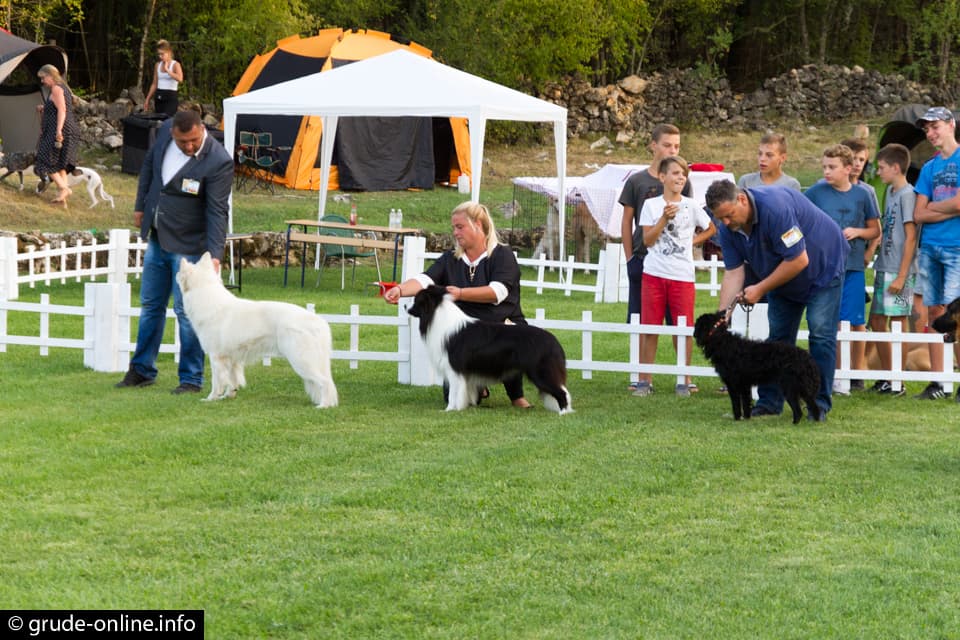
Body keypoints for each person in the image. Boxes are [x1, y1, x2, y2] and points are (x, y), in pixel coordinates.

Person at [706, 180, 848, 421]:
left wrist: (760, 288)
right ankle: (770, 402)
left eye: (729, 215)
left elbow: (799, 260)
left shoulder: (775, 208)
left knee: (820, 334)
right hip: (781, 276)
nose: (727, 223)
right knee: (778, 339)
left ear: (741, 199)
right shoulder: (728, 230)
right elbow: (733, 272)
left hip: (823, 268)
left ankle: (819, 404)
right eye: (722, 219)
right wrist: (723, 316)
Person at [115, 109, 234, 393]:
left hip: (191, 246)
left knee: (187, 312)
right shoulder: (165, 132)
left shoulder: (219, 161)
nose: (189, 146)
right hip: (158, 237)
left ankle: (191, 378)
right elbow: (149, 169)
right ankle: (141, 369)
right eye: (183, 142)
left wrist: (215, 253)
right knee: (151, 306)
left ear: (201, 130)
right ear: (173, 133)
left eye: (193, 140)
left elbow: (218, 210)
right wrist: (140, 205)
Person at [384, 201, 532, 408]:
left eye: (459, 227)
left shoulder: (502, 255)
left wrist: (461, 293)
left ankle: (516, 396)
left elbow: (497, 292)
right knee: (449, 397)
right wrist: (400, 290)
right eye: (453, 227)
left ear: (478, 225)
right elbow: (426, 280)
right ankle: (478, 386)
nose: (455, 232)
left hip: (500, 324)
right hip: (466, 334)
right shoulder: (450, 259)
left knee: (506, 335)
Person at [632, 156, 715, 398]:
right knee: (650, 328)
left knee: (683, 329)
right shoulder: (651, 205)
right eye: (676, 173)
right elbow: (647, 240)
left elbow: (711, 228)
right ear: (662, 177)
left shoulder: (691, 205)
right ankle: (644, 380)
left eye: (684, 174)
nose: (680, 178)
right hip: (654, 274)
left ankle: (684, 378)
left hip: (682, 276)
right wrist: (664, 219)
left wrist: (693, 241)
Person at [618, 123, 692, 389]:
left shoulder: (683, 179)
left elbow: (688, 219)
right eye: (667, 145)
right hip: (642, 258)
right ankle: (641, 376)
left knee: (679, 320)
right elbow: (627, 221)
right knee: (642, 318)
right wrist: (629, 257)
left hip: (673, 263)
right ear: (653, 145)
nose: (672, 149)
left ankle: (685, 377)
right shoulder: (637, 181)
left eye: (676, 146)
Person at [804, 144, 880, 393]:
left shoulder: (864, 194)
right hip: (824, 267)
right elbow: (802, 220)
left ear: (848, 169)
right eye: (824, 166)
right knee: (828, 322)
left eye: (832, 167)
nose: (826, 171)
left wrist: (858, 232)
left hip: (854, 266)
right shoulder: (815, 192)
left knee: (855, 320)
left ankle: (855, 375)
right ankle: (832, 374)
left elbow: (875, 230)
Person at [910, 106, 960, 400]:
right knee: (934, 314)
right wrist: (948, 208)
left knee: (957, 315)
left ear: (951, 125)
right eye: (926, 129)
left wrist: (935, 209)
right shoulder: (929, 168)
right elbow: (918, 214)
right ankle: (938, 382)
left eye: (935, 126)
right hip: (929, 248)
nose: (930, 133)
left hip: (957, 247)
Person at [865, 143, 917, 395]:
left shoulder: (908, 194)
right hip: (884, 264)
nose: (879, 173)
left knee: (897, 321)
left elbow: (910, 237)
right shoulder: (890, 192)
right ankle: (887, 374)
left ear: (896, 168)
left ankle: (898, 380)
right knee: (876, 319)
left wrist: (903, 274)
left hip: (899, 268)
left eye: (882, 168)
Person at [33, 64, 80, 206]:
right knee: (60, 164)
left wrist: (59, 131)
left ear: (50, 76)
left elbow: (62, 111)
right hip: (64, 129)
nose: (42, 81)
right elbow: (56, 107)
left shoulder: (57, 89)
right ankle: (61, 200)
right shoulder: (61, 88)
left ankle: (63, 188)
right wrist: (44, 108)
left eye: (43, 78)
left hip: (60, 130)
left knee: (43, 159)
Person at [736, 132, 802, 191]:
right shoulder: (746, 181)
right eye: (760, 154)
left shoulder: (791, 185)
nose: (762, 159)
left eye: (769, 155)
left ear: (782, 158)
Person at [144, 39, 183, 117]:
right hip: (159, 97)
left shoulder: (175, 64)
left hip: (170, 97)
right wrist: (147, 99)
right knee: (158, 121)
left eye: (162, 54)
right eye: (159, 54)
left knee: (167, 120)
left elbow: (180, 79)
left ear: (169, 52)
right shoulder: (157, 65)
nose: (160, 56)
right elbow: (154, 83)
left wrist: (168, 70)